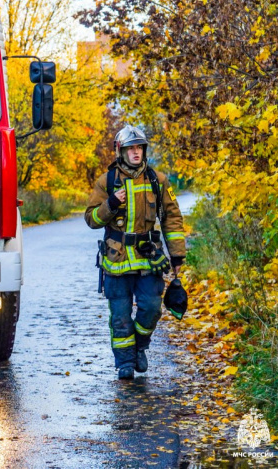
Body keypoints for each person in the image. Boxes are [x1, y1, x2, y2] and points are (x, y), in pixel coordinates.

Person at [84, 125, 186, 380]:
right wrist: (110, 204)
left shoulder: (157, 180)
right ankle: (125, 364)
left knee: (151, 308)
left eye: (140, 147)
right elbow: (91, 219)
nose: (136, 152)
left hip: (148, 259)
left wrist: (177, 256)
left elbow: (172, 218)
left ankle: (140, 346)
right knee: (120, 317)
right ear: (121, 151)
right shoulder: (106, 182)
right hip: (116, 261)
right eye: (131, 148)